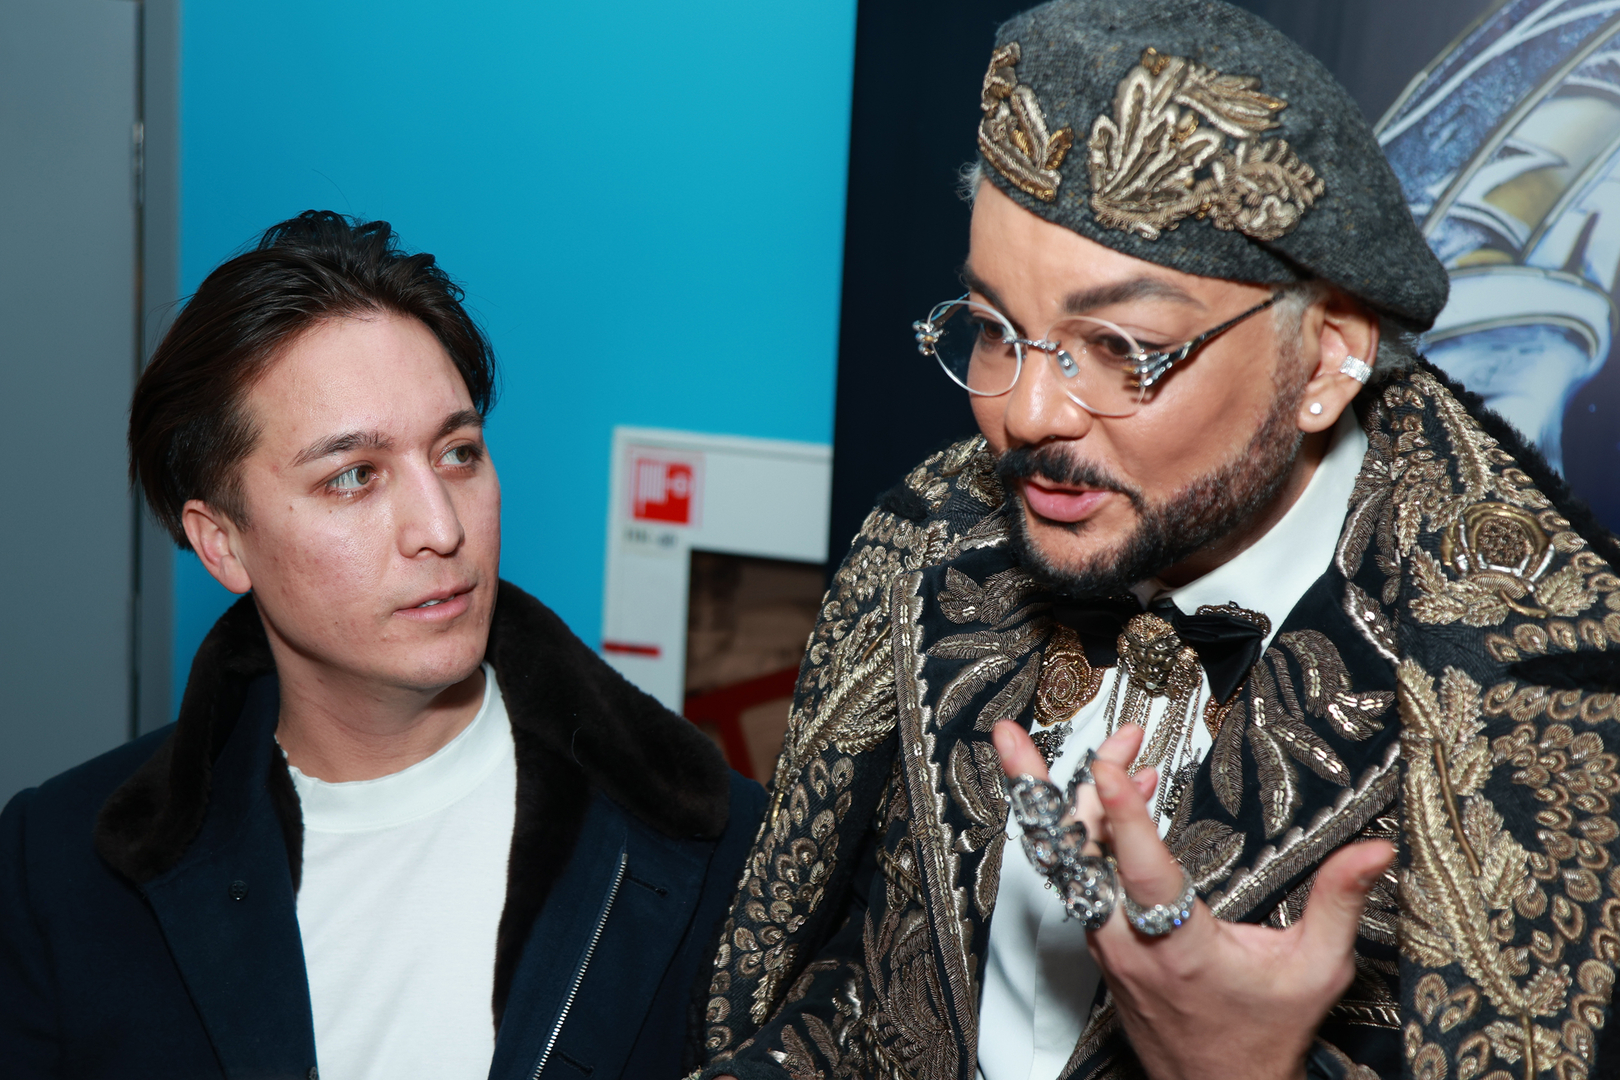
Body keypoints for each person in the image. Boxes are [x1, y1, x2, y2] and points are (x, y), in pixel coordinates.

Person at [697, 2, 1620, 1079]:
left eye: (1124, 348)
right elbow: (845, 979)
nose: (1026, 412)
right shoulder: (931, 535)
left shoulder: (1551, 700)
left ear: (1327, 359)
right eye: (993, 329)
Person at [0, 211, 764, 1080]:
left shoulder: (722, 851)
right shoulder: (57, 871)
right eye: (354, 476)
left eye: (458, 453)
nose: (441, 527)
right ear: (222, 544)